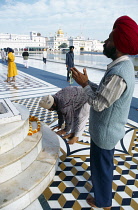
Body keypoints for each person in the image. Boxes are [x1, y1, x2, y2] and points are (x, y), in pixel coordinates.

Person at [71, 16, 138, 209]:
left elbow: (98, 103)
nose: (105, 42)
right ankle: (103, 198)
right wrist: (87, 83)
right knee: (101, 166)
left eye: (109, 39)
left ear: (117, 44)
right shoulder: (121, 67)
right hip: (104, 131)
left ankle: (104, 203)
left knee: (102, 169)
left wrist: (84, 85)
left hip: (105, 133)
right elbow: (103, 94)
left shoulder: (119, 73)